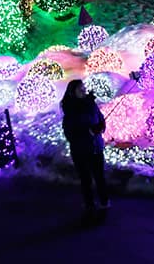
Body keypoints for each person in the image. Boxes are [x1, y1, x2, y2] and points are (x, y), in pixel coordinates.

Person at [60, 79, 110, 216]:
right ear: (72, 92)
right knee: (86, 179)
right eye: (79, 89)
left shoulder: (91, 104)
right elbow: (70, 132)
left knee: (100, 177)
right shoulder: (70, 109)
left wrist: (101, 126)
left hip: (96, 148)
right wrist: (88, 132)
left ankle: (104, 202)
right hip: (81, 151)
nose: (83, 90)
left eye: (83, 87)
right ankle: (89, 204)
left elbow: (100, 118)